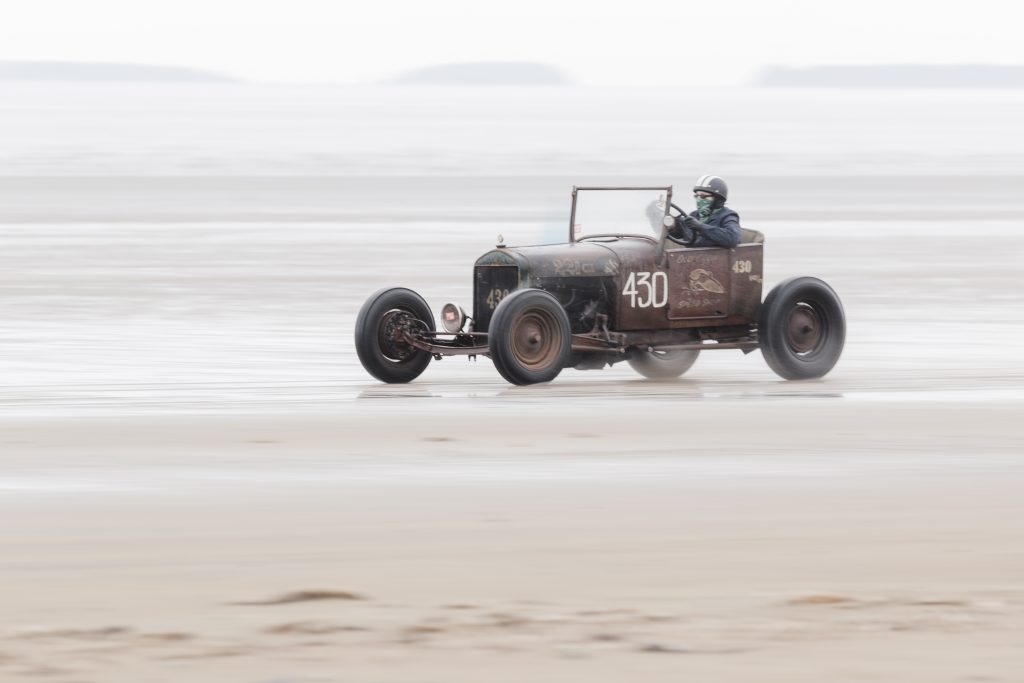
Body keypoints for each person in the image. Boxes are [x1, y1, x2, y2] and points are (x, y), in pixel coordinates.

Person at [671, 175, 742, 248]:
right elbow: (683, 233)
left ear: (718, 199)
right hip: (691, 257)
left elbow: (732, 239)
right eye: (696, 196)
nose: (699, 200)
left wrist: (700, 227)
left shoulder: (728, 216)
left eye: (703, 196)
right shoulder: (694, 215)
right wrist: (673, 225)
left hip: (716, 258)